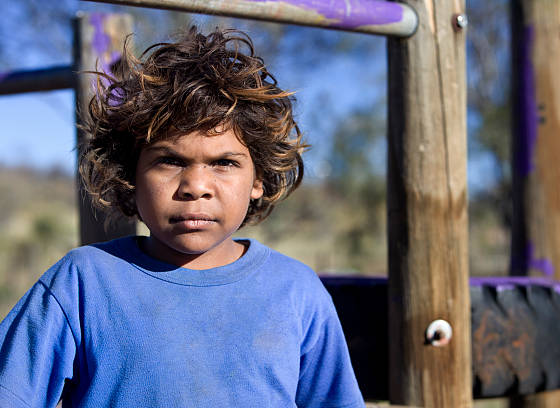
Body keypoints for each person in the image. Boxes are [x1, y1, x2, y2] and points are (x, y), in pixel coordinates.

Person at [0, 27, 364, 407]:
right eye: (170, 161)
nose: (195, 186)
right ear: (130, 176)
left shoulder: (297, 292)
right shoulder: (82, 283)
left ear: (257, 179)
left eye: (224, 163)